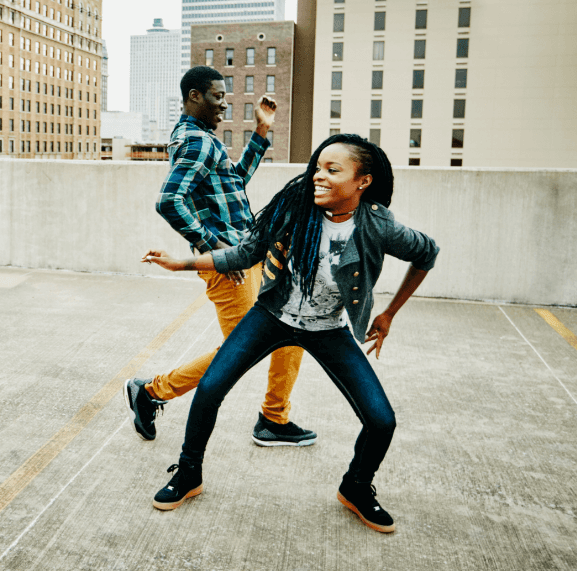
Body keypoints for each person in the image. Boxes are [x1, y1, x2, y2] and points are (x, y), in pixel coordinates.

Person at [141, 133, 439, 533]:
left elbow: (426, 253)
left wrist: (389, 313)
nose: (319, 176)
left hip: (328, 330)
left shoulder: (376, 223)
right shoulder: (296, 205)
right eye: (318, 167)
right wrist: (184, 264)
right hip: (271, 316)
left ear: (362, 182)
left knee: (381, 420)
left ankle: (356, 486)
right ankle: (189, 473)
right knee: (211, 388)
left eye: (333, 170)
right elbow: (247, 251)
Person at [123, 66, 315, 449]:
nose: (223, 105)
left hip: (250, 254)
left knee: (294, 329)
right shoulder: (197, 142)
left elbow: (236, 182)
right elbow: (168, 201)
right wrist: (215, 251)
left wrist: (261, 130)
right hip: (229, 266)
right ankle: (152, 391)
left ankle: (274, 419)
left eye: (224, 97)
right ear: (194, 96)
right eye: (216, 97)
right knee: (240, 352)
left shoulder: (203, 139)